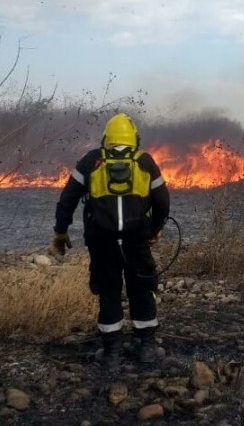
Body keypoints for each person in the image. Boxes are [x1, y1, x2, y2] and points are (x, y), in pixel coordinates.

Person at [49, 112, 170, 368]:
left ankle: (111, 352)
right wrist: (155, 229)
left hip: (101, 241)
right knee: (142, 288)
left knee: (109, 290)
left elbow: (67, 199)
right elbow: (162, 202)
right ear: (134, 139)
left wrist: (61, 231)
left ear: (106, 138)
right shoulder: (145, 162)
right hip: (137, 240)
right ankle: (147, 349)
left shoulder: (92, 161)